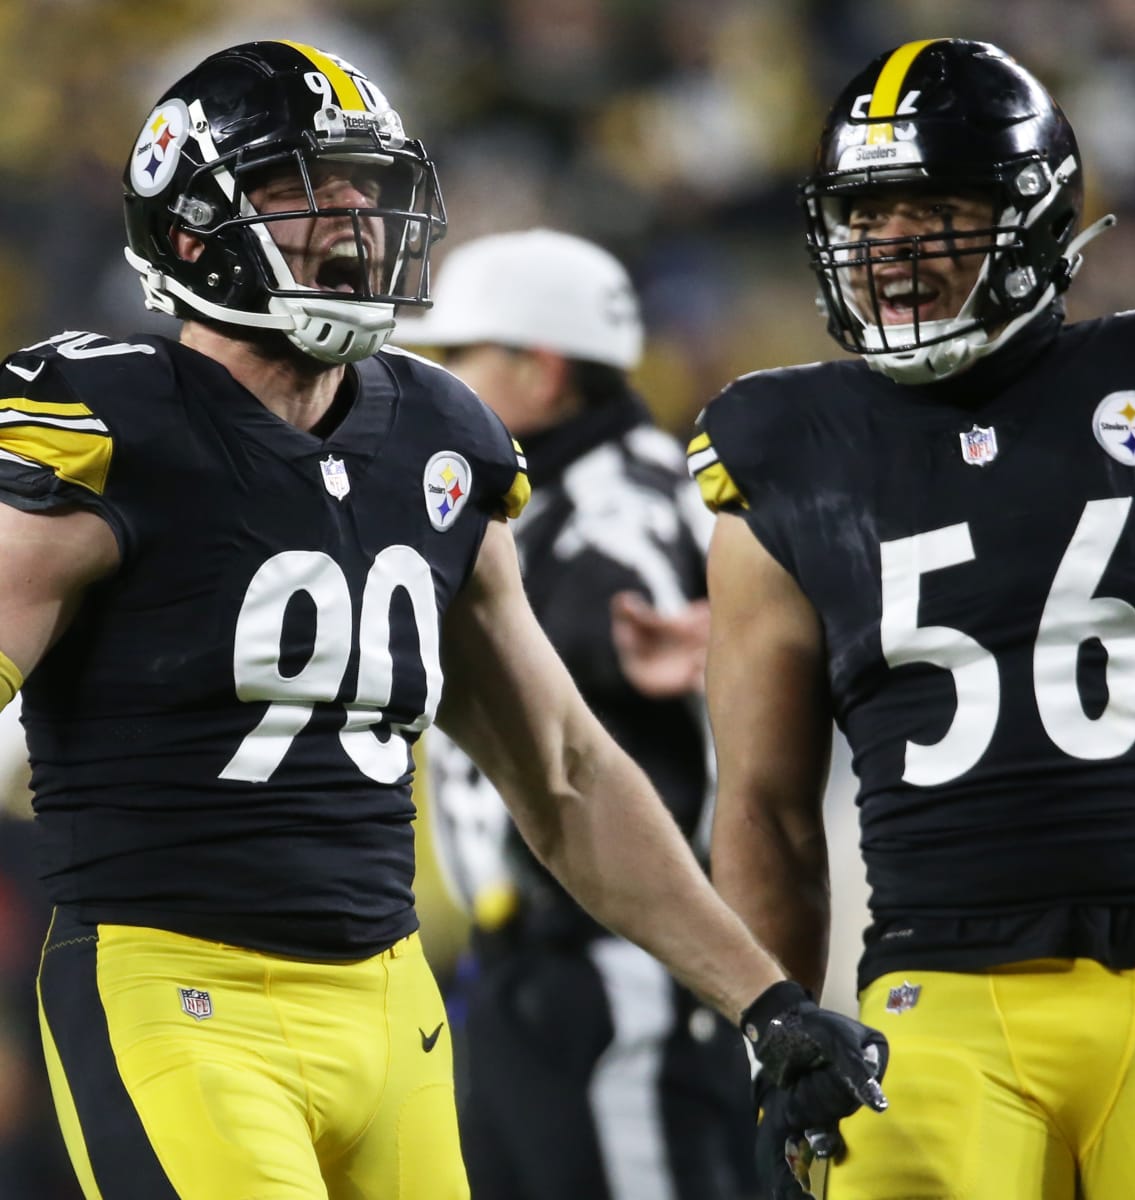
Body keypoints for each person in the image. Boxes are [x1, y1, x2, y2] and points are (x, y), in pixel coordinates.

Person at [0, 39, 885, 1200]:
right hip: (176, 993)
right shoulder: (104, 428)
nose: (354, 217)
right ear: (191, 225)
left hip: (394, 1005)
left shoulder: (439, 435)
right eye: (302, 187)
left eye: (365, 185)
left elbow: (563, 773)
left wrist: (763, 1002)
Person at [689, 34, 1135, 1200]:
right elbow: (766, 805)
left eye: (935, 207)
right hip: (943, 993)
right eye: (867, 216)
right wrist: (775, 1026)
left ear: (1030, 217)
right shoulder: (781, 445)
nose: (893, 245)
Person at [393, 227, 755, 1200]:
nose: (443, 380)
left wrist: (616, 643)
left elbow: (627, 618)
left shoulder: (615, 501)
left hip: (616, 963)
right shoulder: (545, 493)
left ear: (540, 368)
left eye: (460, 356)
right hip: (540, 965)